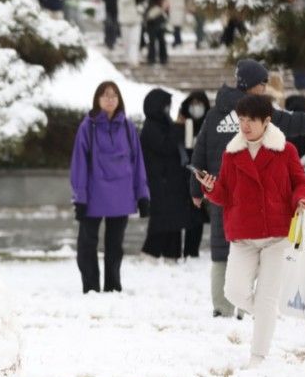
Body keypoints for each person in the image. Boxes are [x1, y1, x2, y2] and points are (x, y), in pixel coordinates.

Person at [189, 59, 305, 318]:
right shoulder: (262, 114)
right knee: (250, 247)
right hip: (241, 193)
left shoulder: (214, 114)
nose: (265, 88)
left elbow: (199, 155)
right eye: (262, 83)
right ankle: (246, 308)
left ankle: (223, 308)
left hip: (222, 194)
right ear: (251, 84)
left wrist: (197, 191)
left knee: (226, 248)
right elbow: (303, 123)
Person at [195, 95, 305, 369]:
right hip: (244, 235)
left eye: (251, 120)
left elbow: (301, 183)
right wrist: (210, 187)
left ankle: (258, 357)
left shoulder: (286, 151)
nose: (245, 126)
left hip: (277, 236)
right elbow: (225, 195)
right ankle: (266, 314)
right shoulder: (231, 153)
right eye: (242, 120)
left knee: (267, 297)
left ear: (267, 121)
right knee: (234, 292)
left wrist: (301, 199)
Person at [70, 81, 150, 293]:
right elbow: (79, 163)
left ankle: (113, 286)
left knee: (115, 246)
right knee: (87, 245)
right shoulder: (88, 126)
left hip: (121, 195)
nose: (110, 99)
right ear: (97, 99)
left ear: (119, 99)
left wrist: (143, 195)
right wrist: (80, 197)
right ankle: (91, 287)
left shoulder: (127, 126)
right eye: (105, 95)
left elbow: (137, 162)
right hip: (93, 195)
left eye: (114, 95)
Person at [140, 89, 191, 260]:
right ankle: (151, 253)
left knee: (174, 221)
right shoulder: (151, 127)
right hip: (160, 181)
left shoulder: (165, 123)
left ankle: (172, 254)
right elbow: (166, 147)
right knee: (161, 221)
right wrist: (178, 127)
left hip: (172, 181)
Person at [177, 91, 212, 258]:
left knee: (197, 214)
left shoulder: (209, 124)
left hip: (201, 174)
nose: (196, 108)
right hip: (181, 175)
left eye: (200, 103)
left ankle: (192, 250)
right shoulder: (181, 123)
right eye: (194, 103)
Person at [117, 0, 144, 67]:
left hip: (136, 20)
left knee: (135, 41)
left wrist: (141, 9)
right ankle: (128, 59)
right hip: (125, 20)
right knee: (126, 42)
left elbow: (144, 1)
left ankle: (134, 60)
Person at [143, 0, 169, 65]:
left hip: (160, 20)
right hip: (150, 22)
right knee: (151, 41)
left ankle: (163, 58)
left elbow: (166, 7)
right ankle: (151, 58)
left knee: (161, 40)